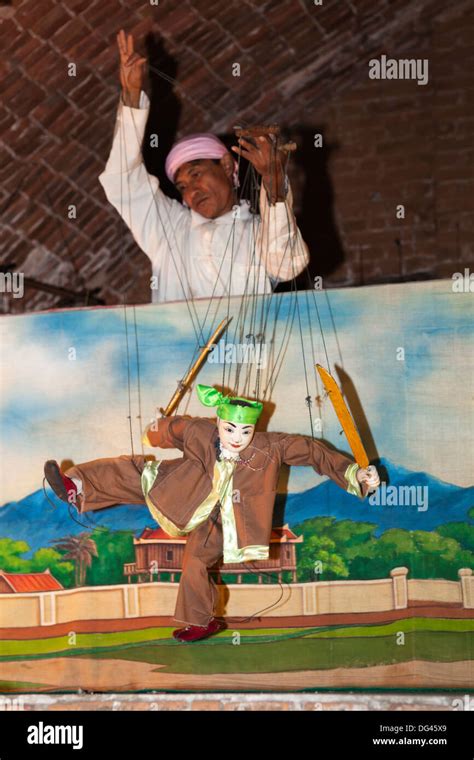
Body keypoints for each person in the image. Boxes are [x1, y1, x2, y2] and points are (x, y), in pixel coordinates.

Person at [44, 384, 380, 643]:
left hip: (225, 519)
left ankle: (203, 621)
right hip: (183, 491)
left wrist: (355, 474)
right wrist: (154, 429)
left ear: (255, 430)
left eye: (245, 432)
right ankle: (77, 487)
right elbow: (171, 429)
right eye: (230, 429)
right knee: (135, 471)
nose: (237, 438)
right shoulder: (200, 431)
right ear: (218, 422)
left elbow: (313, 452)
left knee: (194, 563)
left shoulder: (270, 446)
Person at [98, 30, 310, 303]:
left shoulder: (258, 232)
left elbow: (287, 264)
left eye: (196, 174)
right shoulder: (170, 228)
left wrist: (274, 182)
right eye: (182, 186)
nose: (191, 191)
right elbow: (122, 181)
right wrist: (130, 95)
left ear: (225, 165)